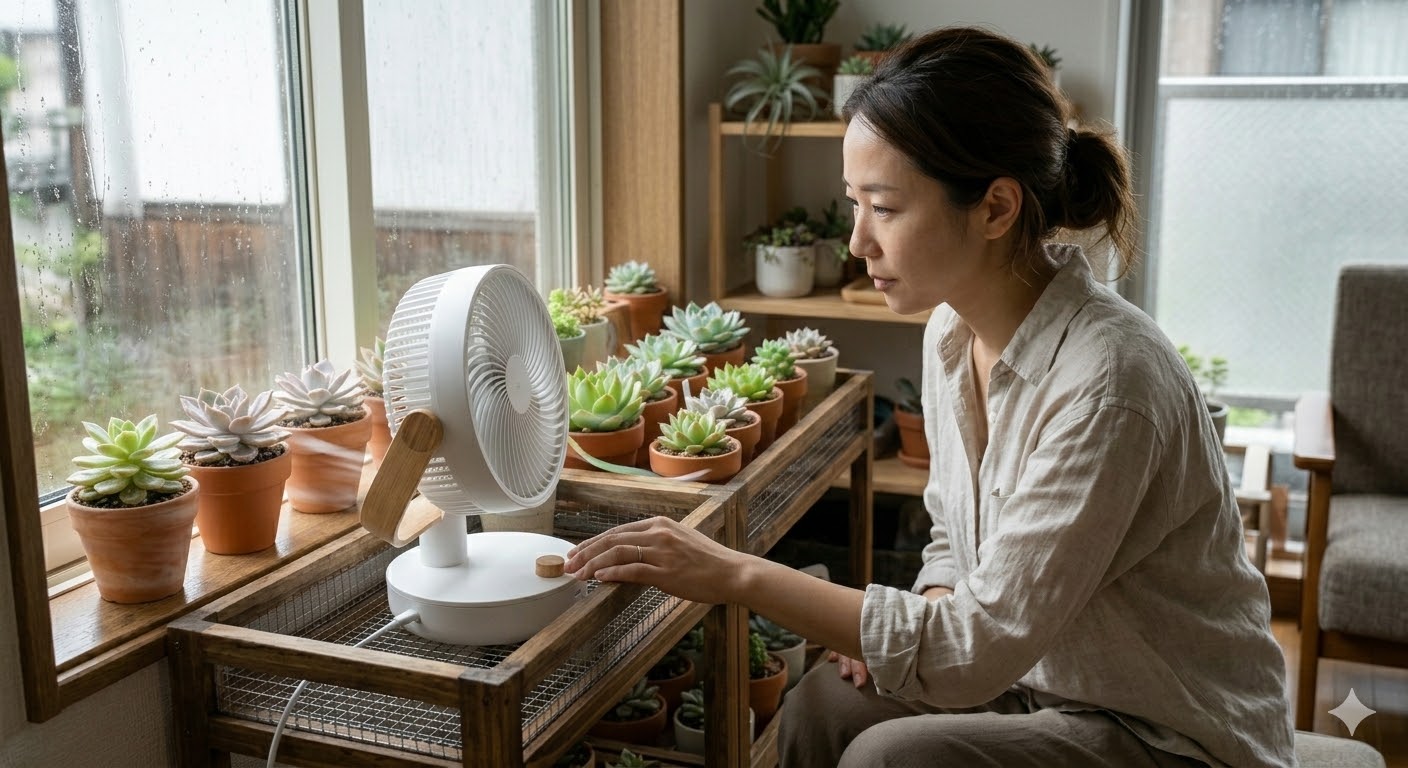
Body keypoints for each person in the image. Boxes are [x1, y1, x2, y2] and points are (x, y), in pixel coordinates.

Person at [565, 26, 1295, 768]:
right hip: (1038, 678)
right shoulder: (952, 332)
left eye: (884, 208)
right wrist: (935, 594)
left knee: (891, 758)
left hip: (1169, 734)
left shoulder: (1108, 385)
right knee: (821, 702)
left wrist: (735, 572)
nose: (857, 243)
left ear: (996, 209)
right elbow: (954, 529)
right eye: (854, 204)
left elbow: (969, 657)